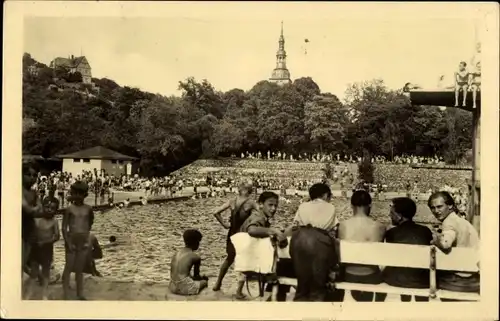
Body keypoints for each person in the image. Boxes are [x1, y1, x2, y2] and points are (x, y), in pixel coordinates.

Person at [285, 183, 339, 301]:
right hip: (319, 243)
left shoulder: (303, 206)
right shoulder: (330, 207)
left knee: (302, 284)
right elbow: (333, 228)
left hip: (299, 240)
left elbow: (295, 225)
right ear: (325, 195)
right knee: (318, 287)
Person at [427, 191, 480, 300]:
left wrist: (435, 239)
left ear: (450, 205)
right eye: (432, 208)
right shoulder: (463, 222)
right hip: (474, 279)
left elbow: (445, 243)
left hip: (459, 281)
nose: (436, 211)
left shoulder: (449, 222)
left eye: (439, 207)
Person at [337, 190, 387, 302]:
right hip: (371, 275)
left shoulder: (343, 226)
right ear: (370, 205)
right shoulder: (380, 226)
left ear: (351, 205)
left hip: (348, 274)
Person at [239, 191, 288, 300]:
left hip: (246, 252)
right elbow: (251, 230)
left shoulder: (261, 216)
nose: (273, 209)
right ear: (260, 204)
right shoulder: (259, 216)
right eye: (270, 205)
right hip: (250, 256)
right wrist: (273, 231)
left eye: (275, 206)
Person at [212, 181, 258, 295]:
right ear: (248, 191)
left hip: (232, 233)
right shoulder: (251, 203)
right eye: (251, 189)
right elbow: (262, 213)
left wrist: (224, 224)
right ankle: (238, 291)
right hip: (243, 234)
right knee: (245, 261)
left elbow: (216, 212)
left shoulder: (232, 201)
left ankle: (217, 284)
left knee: (229, 259)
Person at [383, 197, 433, 302]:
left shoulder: (392, 233)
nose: (390, 215)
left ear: (399, 216)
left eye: (392, 213)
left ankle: (405, 301)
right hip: (422, 281)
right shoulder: (425, 231)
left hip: (398, 280)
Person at [22, 162, 52, 298]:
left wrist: (33, 210)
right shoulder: (18, 190)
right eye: (28, 174)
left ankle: (40, 278)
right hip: (18, 225)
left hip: (29, 228)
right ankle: (39, 277)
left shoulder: (33, 192)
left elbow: (37, 209)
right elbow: (30, 209)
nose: (32, 178)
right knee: (20, 260)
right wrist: (33, 210)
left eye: (34, 175)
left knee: (26, 260)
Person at [62, 181, 94, 300]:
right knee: (69, 267)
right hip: (72, 239)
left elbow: (90, 223)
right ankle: (65, 292)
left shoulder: (88, 209)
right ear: (73, 193)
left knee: (79, 269)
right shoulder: (69, 209)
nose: (78, 196)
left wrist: (86, 238)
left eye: (81, 194)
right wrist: (68, 242)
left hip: (83, 240)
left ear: (85, 194)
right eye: (76, 194)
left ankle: (79, 293)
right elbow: (64, 227)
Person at [25, 197, 61, 300]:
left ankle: (44, 294)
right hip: (36, 249)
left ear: (56, 210)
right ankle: (30, 293)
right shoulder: (37, 220)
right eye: (47, 207)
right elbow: (31, 232)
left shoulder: (54, 221)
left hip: (47, 249)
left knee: (46, 272)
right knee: (33, 272)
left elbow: (57, 236)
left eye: (52, 208)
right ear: (43, 208)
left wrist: (46, 242)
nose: (49, 210)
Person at [169, 229, 209, 296]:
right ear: (196, 242)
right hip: (185, 289)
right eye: (199, 241)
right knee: (204, 282)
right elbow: (197, 277)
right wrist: (203, 278)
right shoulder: (195, 257)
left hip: (172, 286)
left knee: (187, 278)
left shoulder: (176, 253)